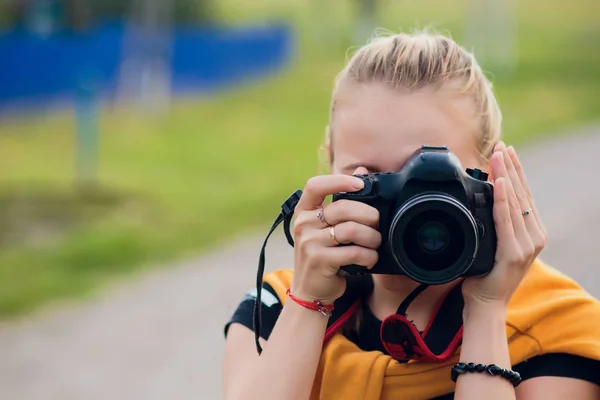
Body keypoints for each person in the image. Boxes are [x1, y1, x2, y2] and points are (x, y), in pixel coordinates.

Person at [222, 31, 600, 400]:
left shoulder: (554, 330)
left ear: (491, 177)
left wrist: (486, 311)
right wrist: (307, 302)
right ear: (330, 163)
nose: (407, 208)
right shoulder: (273, 309)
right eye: (369, 177)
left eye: (429, 178)